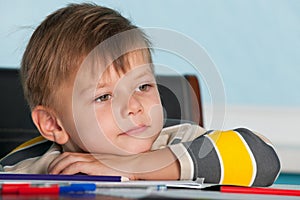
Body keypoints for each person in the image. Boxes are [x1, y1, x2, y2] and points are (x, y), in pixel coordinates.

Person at [0, 3, 280, 186]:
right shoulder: (27, 166)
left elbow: (264, 159)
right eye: (104, 96)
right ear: (54, 124)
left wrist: (133, 166)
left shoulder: (180, 140)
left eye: (143, 87)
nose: (133, 107)